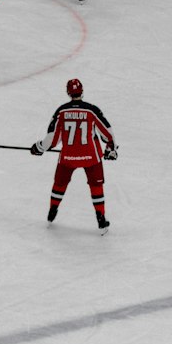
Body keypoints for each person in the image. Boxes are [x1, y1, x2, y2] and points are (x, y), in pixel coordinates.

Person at [30, 77, 117, 231]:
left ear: (68, 93)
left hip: (68, 157)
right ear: (82, 92)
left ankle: (52, 211)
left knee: (59, 183)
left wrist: (39, 147)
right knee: (96, 185)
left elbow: (53, 139)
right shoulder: (92, 110)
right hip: (91, 157)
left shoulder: (61, 111)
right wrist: (111, 149)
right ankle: (101, 217)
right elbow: (107, 133)